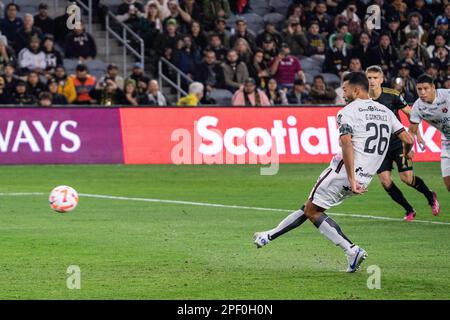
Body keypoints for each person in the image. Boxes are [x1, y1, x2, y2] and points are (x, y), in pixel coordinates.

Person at [253, 72, 414, 272]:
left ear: (356, 90)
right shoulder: (386, 111)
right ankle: (268, 236)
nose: (343, 93)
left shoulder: (347, 111)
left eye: (345, 90)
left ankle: (351, 249)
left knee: (312, 210)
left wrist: (350, 178)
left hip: (344, 173)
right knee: (312, 207)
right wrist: (406, 156)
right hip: (365, 178)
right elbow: (408, 139)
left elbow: (346, 143)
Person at [366, 65, 439, 220]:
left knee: (406, 178)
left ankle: (430, 195)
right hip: (380, 147)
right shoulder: (363, 99)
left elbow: (411, 115)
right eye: (369, 78)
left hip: (398, 142)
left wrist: (418, 136)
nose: (371, 81)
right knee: (385, 181)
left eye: (375, 78)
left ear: (381, 79)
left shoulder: (392, 95)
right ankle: (409, 209)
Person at [409, 74, 450, 193]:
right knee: (448, 185)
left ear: (433, 87)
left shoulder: (447, 95)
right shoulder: (417, 107)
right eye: (419, 89)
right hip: (446, 140)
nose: (422, 92)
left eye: (425, 88)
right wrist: (407, 151)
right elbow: (411, 131)